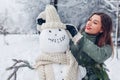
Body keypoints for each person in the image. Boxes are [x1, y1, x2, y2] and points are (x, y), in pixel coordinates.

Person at [66, 12, 114, 80]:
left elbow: (99, 56)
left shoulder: (107, 47)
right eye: (89, 20)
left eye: (95, 22)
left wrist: (78, 38)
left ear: (102, 29)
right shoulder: (74, 39)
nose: (89, 23)